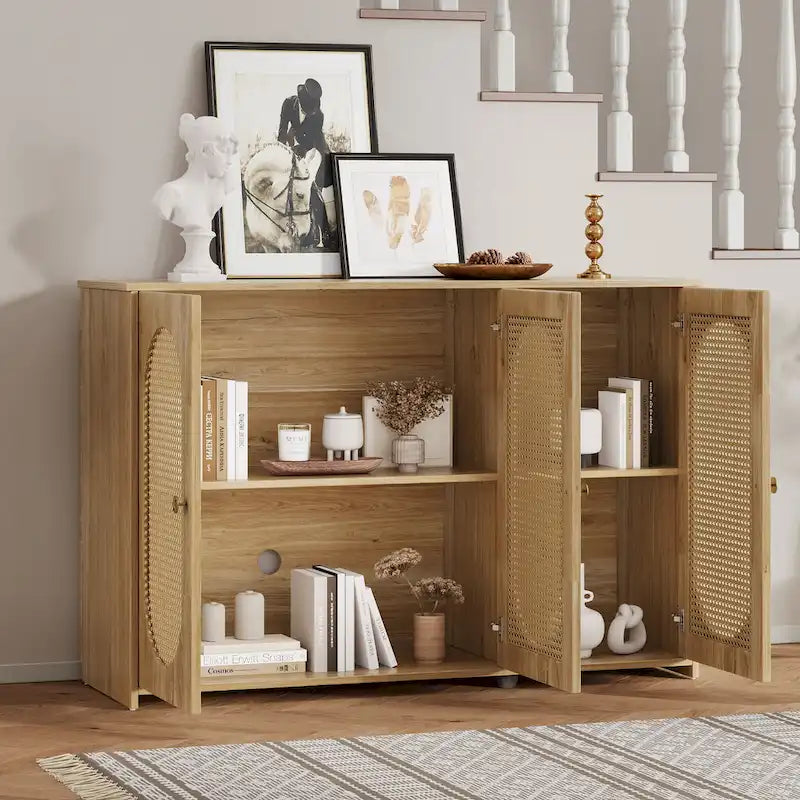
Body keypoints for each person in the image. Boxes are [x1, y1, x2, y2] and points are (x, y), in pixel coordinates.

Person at [277, 78, 334, 248]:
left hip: (314, 150)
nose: (309, 113)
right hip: (295, 147)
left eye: (311, 111)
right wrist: (283, 147)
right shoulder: (288, 104)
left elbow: (313, 143)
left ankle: (324, 233)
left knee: (310, 186)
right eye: (306, 110)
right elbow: (282, 130)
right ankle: (300, 231)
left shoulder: (318, 116)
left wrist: (300, 150)